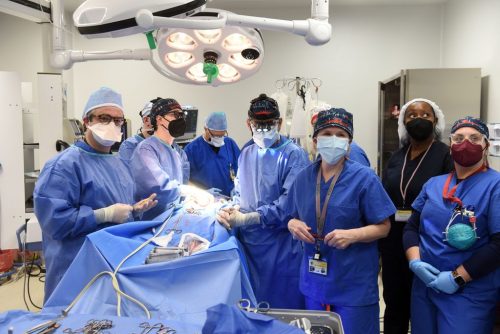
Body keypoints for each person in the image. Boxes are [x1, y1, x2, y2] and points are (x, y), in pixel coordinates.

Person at [34, 87, 157, 301]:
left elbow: (117, 208)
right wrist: (103, 215)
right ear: (86, 121)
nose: (112, 125)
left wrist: (134, 210)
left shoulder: (118, 162)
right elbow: (54, 222)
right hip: (76, 270)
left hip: (112, 264)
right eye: (104, 118)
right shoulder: (63, 166)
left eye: (118, 121)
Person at [281, 108, 395, 334]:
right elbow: (291, 216)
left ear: (349, 143)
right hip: (314, 283)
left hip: (352, 285)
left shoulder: (364, 178)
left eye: (340, 135)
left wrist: (354, 235)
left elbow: (384, 227)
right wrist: (292, 225)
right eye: (327, 134)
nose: (334, 140)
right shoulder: (303, 178)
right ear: (315, 141)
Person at [403, 116, 500, 334]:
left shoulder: (495, 186)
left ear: (486, 146)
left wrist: (457, 277)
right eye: (459, 138)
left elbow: (498, 244)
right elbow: (411, 227)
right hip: (425, 287)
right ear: (450, 146)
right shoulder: (433, 184)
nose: (466, 143)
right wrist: (415, 262)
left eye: (475, 138)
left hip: (469, 292)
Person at [217, 93, 310, 309]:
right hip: (250, 244)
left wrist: (249, 218)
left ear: (278, 122)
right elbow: (239, 189)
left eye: (269, 124)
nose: (263, 130)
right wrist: (233, 207)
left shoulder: (294, 155)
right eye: (258, 124)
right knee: (253, 305)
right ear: (248, 123)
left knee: (282, 307)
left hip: (281, 246)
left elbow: (289, 204)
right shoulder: (246, 152)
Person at [379, 98, 453, 334]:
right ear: (403, 122)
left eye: (425, 115)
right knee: (394, 303)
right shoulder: (397, 157)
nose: (418, 119)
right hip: (393, 242)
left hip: (427, 242)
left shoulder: (446, 156)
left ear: (435, 121)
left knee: (423, 307)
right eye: (411, 115)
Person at [130, 98, 193, 220]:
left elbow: (181, 183)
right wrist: (189, 191)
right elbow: (158, 189)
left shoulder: (175, 151)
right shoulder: (146, 149)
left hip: (172, 217)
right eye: (175, 114)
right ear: (159, 119)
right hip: (152, 221)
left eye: (182, 115)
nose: (180, 119)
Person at [119, 99, 190, 183]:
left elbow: (183, 179)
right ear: (146, 120)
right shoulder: (131, 146)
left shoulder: (175, 149)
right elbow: (128, 180)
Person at [184, 112, 240, 197]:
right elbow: (184, 181)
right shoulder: (191, 150)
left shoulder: (230, 144)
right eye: (215, 135)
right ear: (206, 129)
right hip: (204, 202)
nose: (218, 139)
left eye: (221, 135)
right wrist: (202, 193)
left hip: (230, 200)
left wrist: (237, 187)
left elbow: (242, 170)